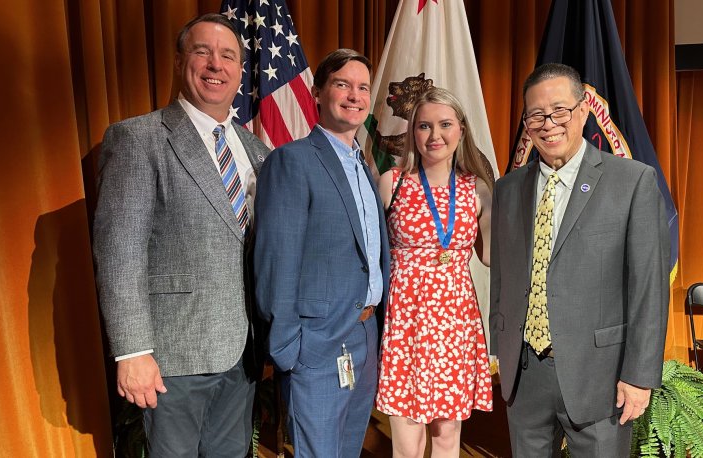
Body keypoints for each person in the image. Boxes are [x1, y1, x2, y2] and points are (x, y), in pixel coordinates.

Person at [92, 13, 270, 456]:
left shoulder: (258, 151)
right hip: (173, 357)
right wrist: (132, 351)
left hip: (243, 353)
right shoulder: (139, 139)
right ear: (179, 62)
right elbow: (120, 253)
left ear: (240, 71)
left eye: (228, 55)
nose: (216, 64)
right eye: (202, 52)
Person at [489, 63, 670, 457]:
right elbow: (503, 277)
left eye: (559, 110)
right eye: (536, 114)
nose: (548, 123)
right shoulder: (508, 188)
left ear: (584, 110)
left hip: (600, 377)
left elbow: (649, 288)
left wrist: (639, 376)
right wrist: (499, 344)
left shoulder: (632, 182)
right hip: (525, 375)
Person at [253, 48, 389, 458]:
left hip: (365, 336)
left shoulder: (363, 165)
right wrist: (290, 350)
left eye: (363, 87)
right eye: (342, 84)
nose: (355, 95)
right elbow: (276, 261)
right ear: (317, 93)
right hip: (317, 343)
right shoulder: (292, 161)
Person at [376, 87, 494, 457]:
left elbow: (491, 255)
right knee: (407, 443)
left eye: (445, 124)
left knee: (446, 436)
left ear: (461, 129)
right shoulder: (391, 182)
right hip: (406, 323)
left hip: (454, 325)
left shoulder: (478, 189)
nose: (434, 135)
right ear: (413, 132)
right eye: (424, 126)